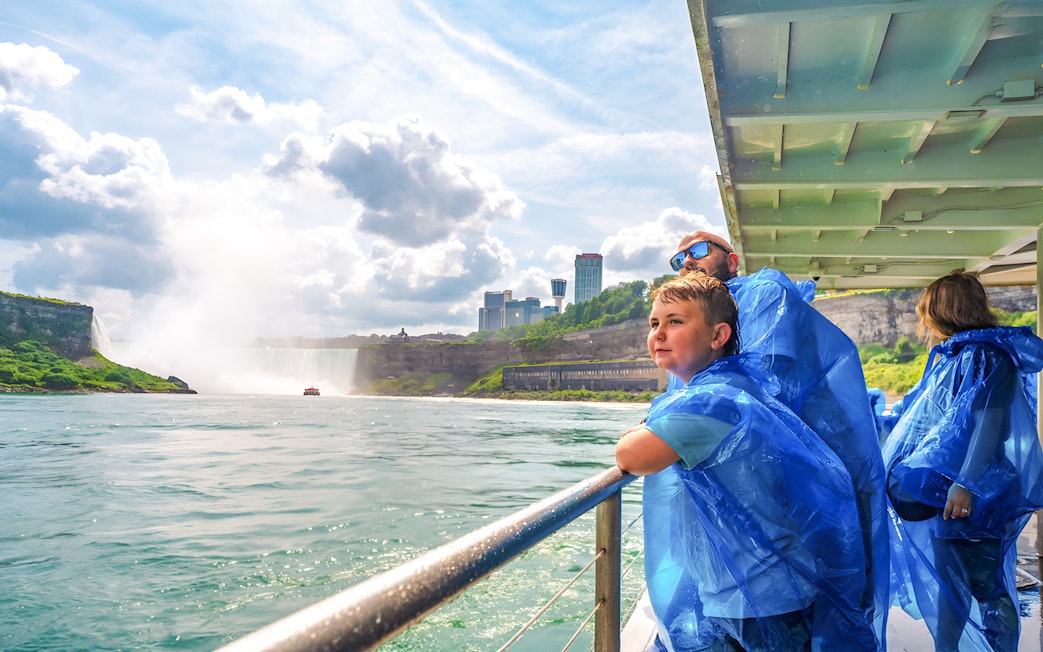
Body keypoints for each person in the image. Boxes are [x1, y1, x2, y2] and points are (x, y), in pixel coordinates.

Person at [616, 273, 874, 651]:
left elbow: (632, 456)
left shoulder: (714, 403)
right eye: (654, 322)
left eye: (676, 321)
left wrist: (636, 430)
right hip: (764, 587)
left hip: (760, 599)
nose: (659, 333)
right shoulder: (737, 389)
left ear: (718, 336)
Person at [666, 231, 890, 647]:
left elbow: (767, 383)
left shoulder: (763, 292)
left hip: (806, 476)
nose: (687, 261)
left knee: (824, 596)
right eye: (678, 258)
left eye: (698, 250)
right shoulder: (696, 318)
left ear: (732, 262)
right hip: (762, 492)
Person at [880, 271, 1043, 651]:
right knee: (950, 584)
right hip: (950, 492)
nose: (926, 322)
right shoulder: (959, 355)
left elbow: (988, 424)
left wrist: (966, 483)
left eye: (928, 312)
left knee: (986, 587)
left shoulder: (987, 356)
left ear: (943, 311)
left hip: (978, 491)